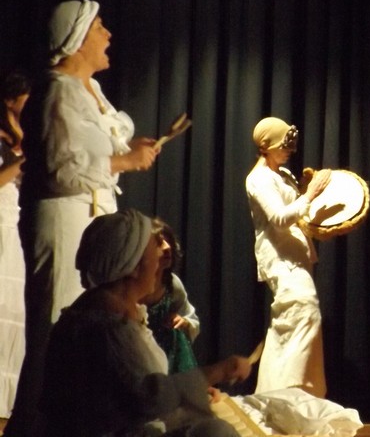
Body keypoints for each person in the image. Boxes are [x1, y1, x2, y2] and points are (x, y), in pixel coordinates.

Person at [6, 0, 161, 436]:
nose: (108, 35)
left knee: (93, 324)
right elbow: (59, 167)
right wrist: (125, 162)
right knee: (57, 323)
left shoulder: (88, 90)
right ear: (76, 40)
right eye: (99, 28)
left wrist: (129, 153)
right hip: (63, 220)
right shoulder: (57, 90)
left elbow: (95, 149)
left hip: (92, 216)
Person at [37, 208, 251, 436]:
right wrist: (216, 372)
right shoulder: (106, 327)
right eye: (153, 252)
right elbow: (147, 399)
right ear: (133, 267)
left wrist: (192, 393)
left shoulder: (113, 311)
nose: (160, 259)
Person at [245, 117, 331, 396]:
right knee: (302, 310)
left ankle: (288, 392)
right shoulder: (259, 179)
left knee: (291, 319)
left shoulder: (282, 174)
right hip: (280, 257)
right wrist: (309, 195)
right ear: (265, 146)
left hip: (295, 254)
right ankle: (287, 391)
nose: (290, 150)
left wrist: (305, 189)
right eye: (284, 145)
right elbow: (280, 219)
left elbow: (296, 211)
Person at [0, 70, 30, 417]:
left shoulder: (23, 134)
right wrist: (24, 160)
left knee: (15, 311)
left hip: (16, 226)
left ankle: (9, 407)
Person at [146, 220, 201, 374]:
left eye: (168, 241)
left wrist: (184, 322)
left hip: (168, 355)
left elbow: (190, 318)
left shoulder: (172, 284)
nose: (167, 247)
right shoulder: (133, 285)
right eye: (159, 243)